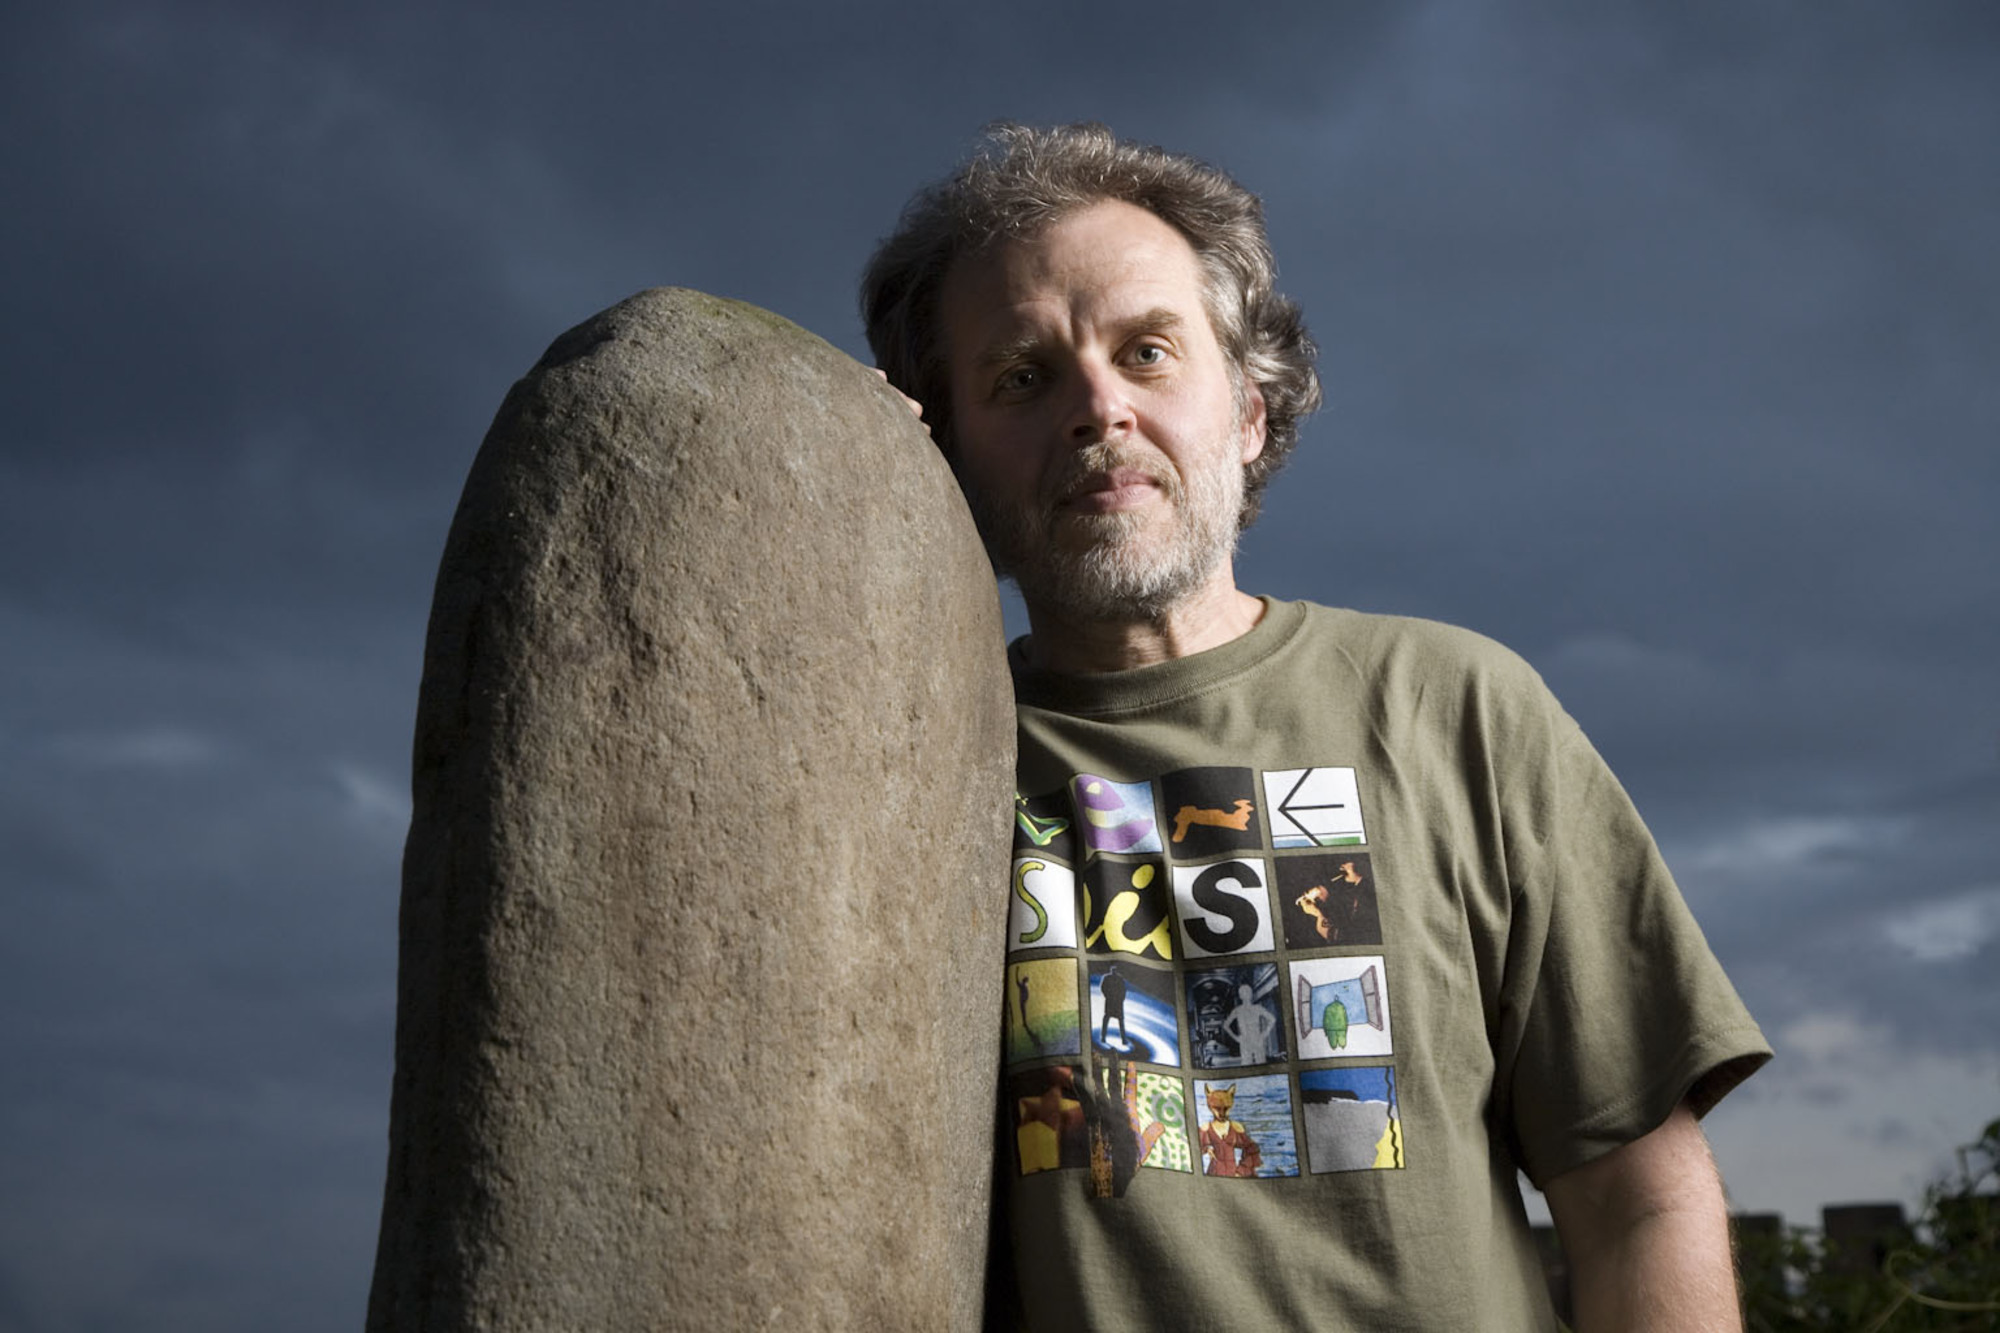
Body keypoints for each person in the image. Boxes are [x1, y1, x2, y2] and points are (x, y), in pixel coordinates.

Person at [862, 123, 1770, 1332]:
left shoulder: (1456, 709)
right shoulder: (900, 767)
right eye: (1020, 378)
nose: (1097, 408)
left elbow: (1636, 1199)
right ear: (947, 455)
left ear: (1247, 409)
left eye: (1145, 352)